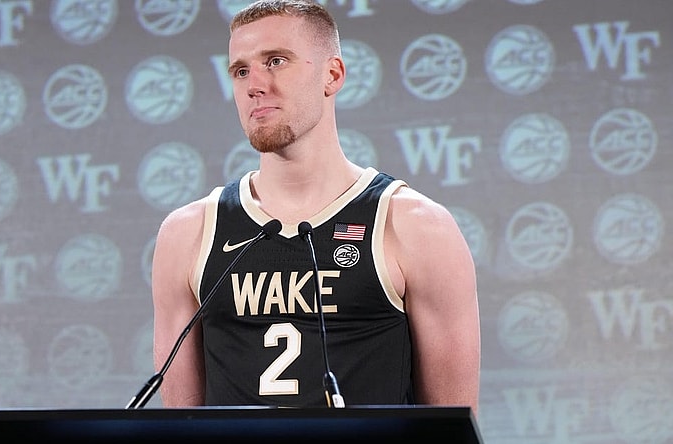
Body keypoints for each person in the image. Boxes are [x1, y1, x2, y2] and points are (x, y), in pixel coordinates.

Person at [150, 0, 480, 414]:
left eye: (275, 61)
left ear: (332, 74)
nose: (254, 85)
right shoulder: (189, 233)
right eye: (241, 70)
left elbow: (450, 427)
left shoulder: (415, 227)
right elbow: (181, 426)